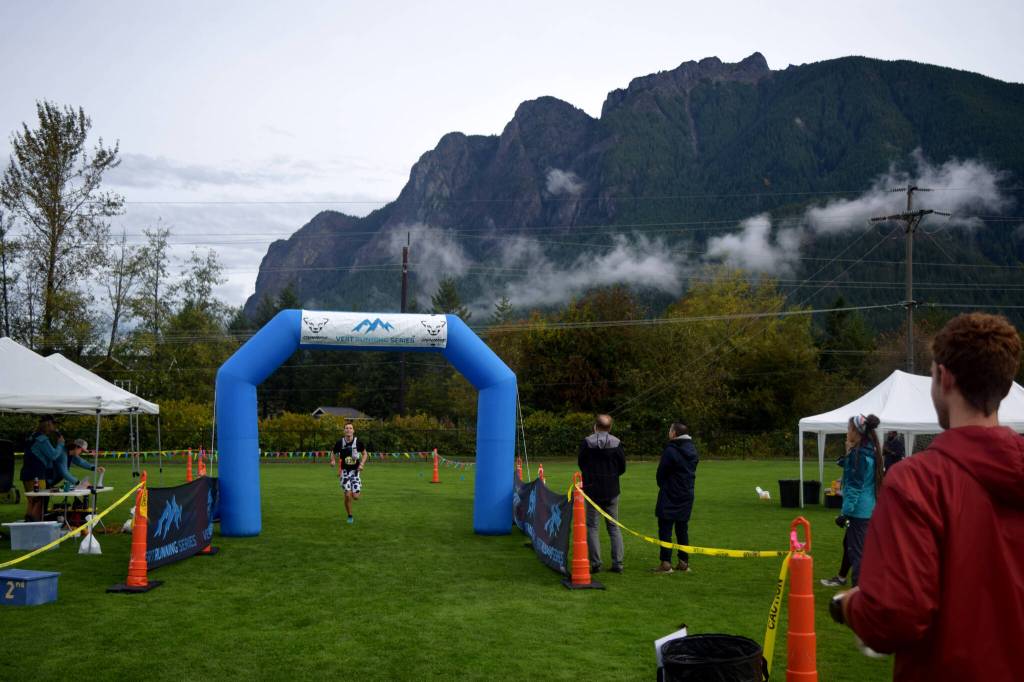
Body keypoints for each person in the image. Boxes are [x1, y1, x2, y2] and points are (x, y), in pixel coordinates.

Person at [833, 313, 1024, 680]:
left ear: (943, 377)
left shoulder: (917, 482)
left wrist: (849, 605)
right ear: (1003, 383)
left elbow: (892, 617)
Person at [577, 414, 626, 573]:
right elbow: (622, 467)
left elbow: (581, 464)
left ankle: (596, 562)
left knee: (592, 526)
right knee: (613, 526)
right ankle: (617, 563)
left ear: (595, 426)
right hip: (612, 489)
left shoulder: (586, 443)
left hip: (592, 489)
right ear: (610, 427)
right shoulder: (617, 443)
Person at [839, 414, 882, 587]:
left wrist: (845, 513)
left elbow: (855, 486)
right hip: (868, 508)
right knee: (850, 545)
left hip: (858, 511)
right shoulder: (871, 450)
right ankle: (844, 578)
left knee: (857, 552)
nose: (847, 432)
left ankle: (858, 595)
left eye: (849, 429)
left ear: (856, 432)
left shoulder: (859, 455)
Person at [652, 421, 698, 574]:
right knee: (682, 528)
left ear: (674, 433)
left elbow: (661, 473)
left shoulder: (670, 450)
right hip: (686, 493)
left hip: (670, 493)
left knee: (665, 528)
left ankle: (666, 563)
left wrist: (665, 485)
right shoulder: (692, 449)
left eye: (670, 430)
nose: (669, 432)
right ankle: (683, 562)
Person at [19, 415, 64, 521]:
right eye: (54, 424)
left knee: (32, 501)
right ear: (48, 424)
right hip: (36, 474)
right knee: (39, 502)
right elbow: (53, 455)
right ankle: (35, 525)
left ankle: (28, 524)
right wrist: (60, 444)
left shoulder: (33, 436)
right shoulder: (42, 440)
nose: (55, 427)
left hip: (27, 474)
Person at [332, 423, 369, 524]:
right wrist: (333, 461)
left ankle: (352, 491)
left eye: (350, 428)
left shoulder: (358, 442)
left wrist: (361, 464)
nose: (348, 430)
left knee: (355, 497)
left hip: (355, 472)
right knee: (347, 495)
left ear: (353, 431)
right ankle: (350, 516)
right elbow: (333, 452)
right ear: (344, 431)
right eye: (346, 428)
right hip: (344, 472)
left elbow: (365, 454)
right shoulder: (340, 442)